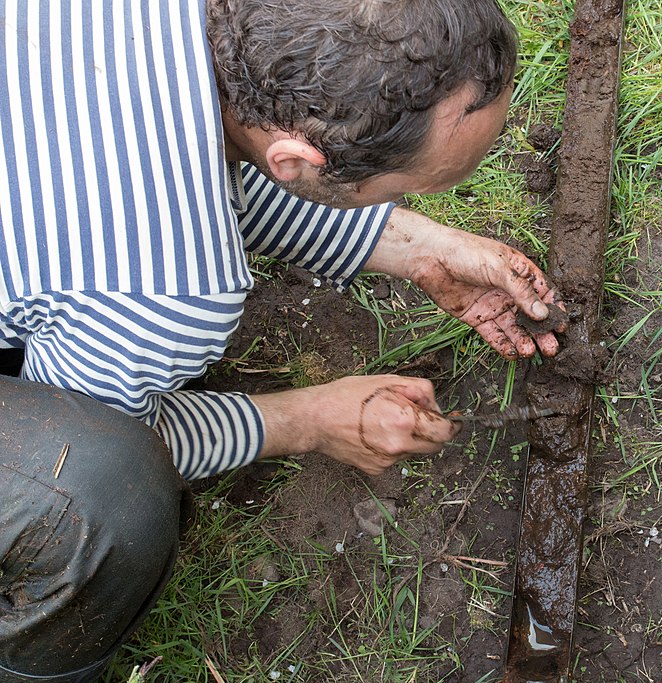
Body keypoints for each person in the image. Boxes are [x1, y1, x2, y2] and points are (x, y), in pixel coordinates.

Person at [0, 0, 564, 680]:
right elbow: (72, 430)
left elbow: (230, 156)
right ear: (296, 159)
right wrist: (308, 420)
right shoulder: (159, 291)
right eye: (418, 186)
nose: (420, 199)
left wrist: (424, 250)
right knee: (99, 495)